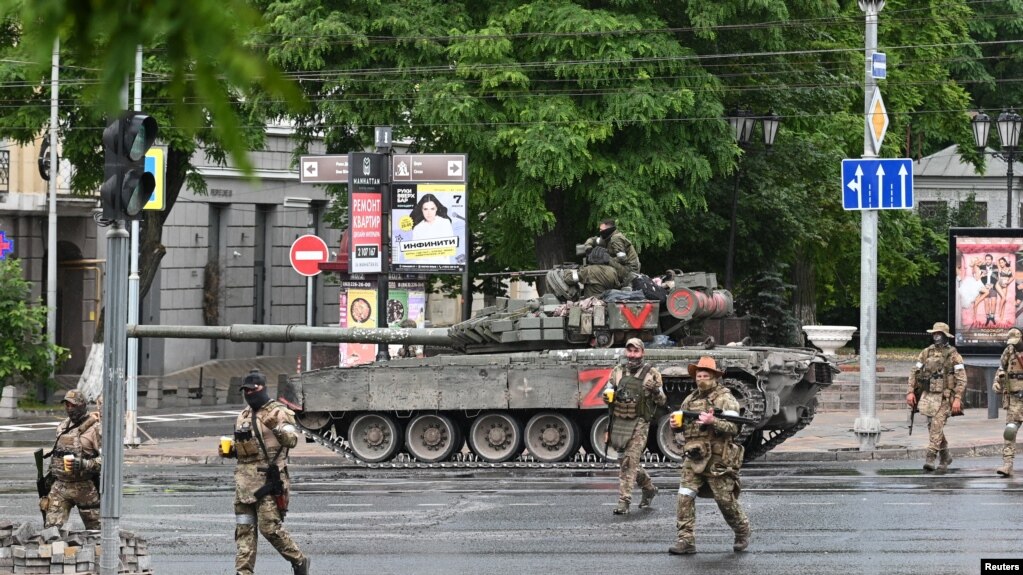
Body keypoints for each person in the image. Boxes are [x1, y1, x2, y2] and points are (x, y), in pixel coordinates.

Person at [222, 370, 310, 575]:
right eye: (246, 390)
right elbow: (243, 447)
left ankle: (299, 560)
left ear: (262, 388)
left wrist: (276, 428)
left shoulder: (279, 412)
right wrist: (231, 451)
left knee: (270, 528)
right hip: (244, 483)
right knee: (244, 530)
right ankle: (243, 572)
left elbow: (292, 441)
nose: (249, 394)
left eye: (253, 390)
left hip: (269, 481)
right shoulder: (243, 415)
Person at [668, 356, 750, 555]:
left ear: (714, 377)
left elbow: (735, 428)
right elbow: (685, 428)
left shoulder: (725, 398)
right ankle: (685, 539)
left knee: (724, 501)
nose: (701, 379)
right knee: (685, 496)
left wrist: (714, 421)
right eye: (698, 375)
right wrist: (676, 426)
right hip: (694, 455)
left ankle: (742, 530)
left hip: (717, 458)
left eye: (705, 375)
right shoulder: (690, 400)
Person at [603, 337, 666, 515]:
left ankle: (624, 501)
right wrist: (607, 396)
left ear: (642, 353)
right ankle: (649, 488)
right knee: (625, 461)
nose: (632, 355)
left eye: (636, 351)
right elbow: (608, 391)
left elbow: (662, 401)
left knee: (629, 462)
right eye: (629, 351)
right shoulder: (617, 371)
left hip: (639, 422)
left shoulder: (652, 373)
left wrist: (654, 389)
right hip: (620, 421)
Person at [906, 322, 966, 473]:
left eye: (939, 333)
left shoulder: (954, 355)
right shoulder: (926, 352)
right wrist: (910, 391)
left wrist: (957, 398)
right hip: (929, 396)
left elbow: (962, 378)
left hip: (946, 397)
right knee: (932, 427)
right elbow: (915, 372)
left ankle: (930, 458)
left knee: (936, 426)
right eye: (934, 333)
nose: (936, 336)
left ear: (945, 336)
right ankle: (945, 456)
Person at [41, 389, 102, 530]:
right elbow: (57, 454)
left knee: (97, 532)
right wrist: (49, 481)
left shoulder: (95, 429)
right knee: (52, 532)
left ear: (82, 405)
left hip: (85, 487)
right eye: (67, 405)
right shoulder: (63, 427)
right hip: (60, 487)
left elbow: (107, 461)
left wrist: (84, 464)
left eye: (73, 405)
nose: (69, 408)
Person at [993, 328, 1023, 477]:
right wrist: (997, 381)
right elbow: (1001, 368)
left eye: (1016, 342)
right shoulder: (1009, 351)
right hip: (1015, 399)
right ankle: (1007, 465)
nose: (1014, 345)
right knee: (1010, 431)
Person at [409, 193, 456, 265]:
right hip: (422, 266)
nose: (429, 213)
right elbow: (415, 252)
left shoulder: (445, 223)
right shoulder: (417, 228)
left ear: (436, 208)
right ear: (421, 210)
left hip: (442, 266)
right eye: (425, 209)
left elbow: (451, 246)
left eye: (432, 209)